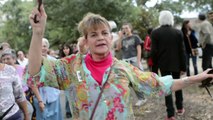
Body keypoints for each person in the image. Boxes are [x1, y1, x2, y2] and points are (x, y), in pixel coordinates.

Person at [26, 5, 213, 120]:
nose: (100, 38)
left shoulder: (123, 68)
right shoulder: (71, 66)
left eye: (104, 33)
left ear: (112, 37)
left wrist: (197, 78)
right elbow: (35, 72)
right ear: (86, 40)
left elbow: (161, 84)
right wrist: (37, 33)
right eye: (94, 34)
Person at [151, 10, 187, 120]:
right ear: (171, 19)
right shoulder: (178, 32)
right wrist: (183, 67)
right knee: (178, 84)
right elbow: (182, 51)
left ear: (160, 19)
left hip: (163, 64)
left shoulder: (155, 33)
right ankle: (180, 108)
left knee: (166, 87)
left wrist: (154, 69)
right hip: (176, 64)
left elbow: (154, 52)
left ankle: (170, 114)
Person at [28, 38, 63, 120]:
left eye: (44, 46)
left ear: (47, 48)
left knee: (56, 117)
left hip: (53, 96)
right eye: (40, 46)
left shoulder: (54, 61)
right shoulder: (33, 62)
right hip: (40, 98)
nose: (43, 48)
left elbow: (59, 77)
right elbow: (31, 82)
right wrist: (40, 101)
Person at [117, 22, 147, 106]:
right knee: (128, 81)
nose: (125, 30)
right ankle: (136, 98)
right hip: (125, 61)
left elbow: (139, 50)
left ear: (130, 28)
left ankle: (142, 97)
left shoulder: (135, 37)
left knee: (137, 80)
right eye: (123, 28)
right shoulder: (123, 39)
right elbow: (118, 48)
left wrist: (138, 61)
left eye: (126, 28)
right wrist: (120, 37)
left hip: (134, 60)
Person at [1, 49, 34, 120]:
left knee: (29, 110)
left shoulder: (21, 69)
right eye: (4, 59)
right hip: (9, 102)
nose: (6, 61)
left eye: (8, 59)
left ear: (14, 59)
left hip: (23, 98)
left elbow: (27, 84)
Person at [58, 43, 73, 118]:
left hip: (74, 79)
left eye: (67, 48)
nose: (65, 50)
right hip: (66, 80)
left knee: (74, 96)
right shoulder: (61, 59)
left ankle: (75, 110)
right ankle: (68, 111)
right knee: (67, 97)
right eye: (64, 49)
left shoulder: (73, 57)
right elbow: (61, 70)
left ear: (69, 49)